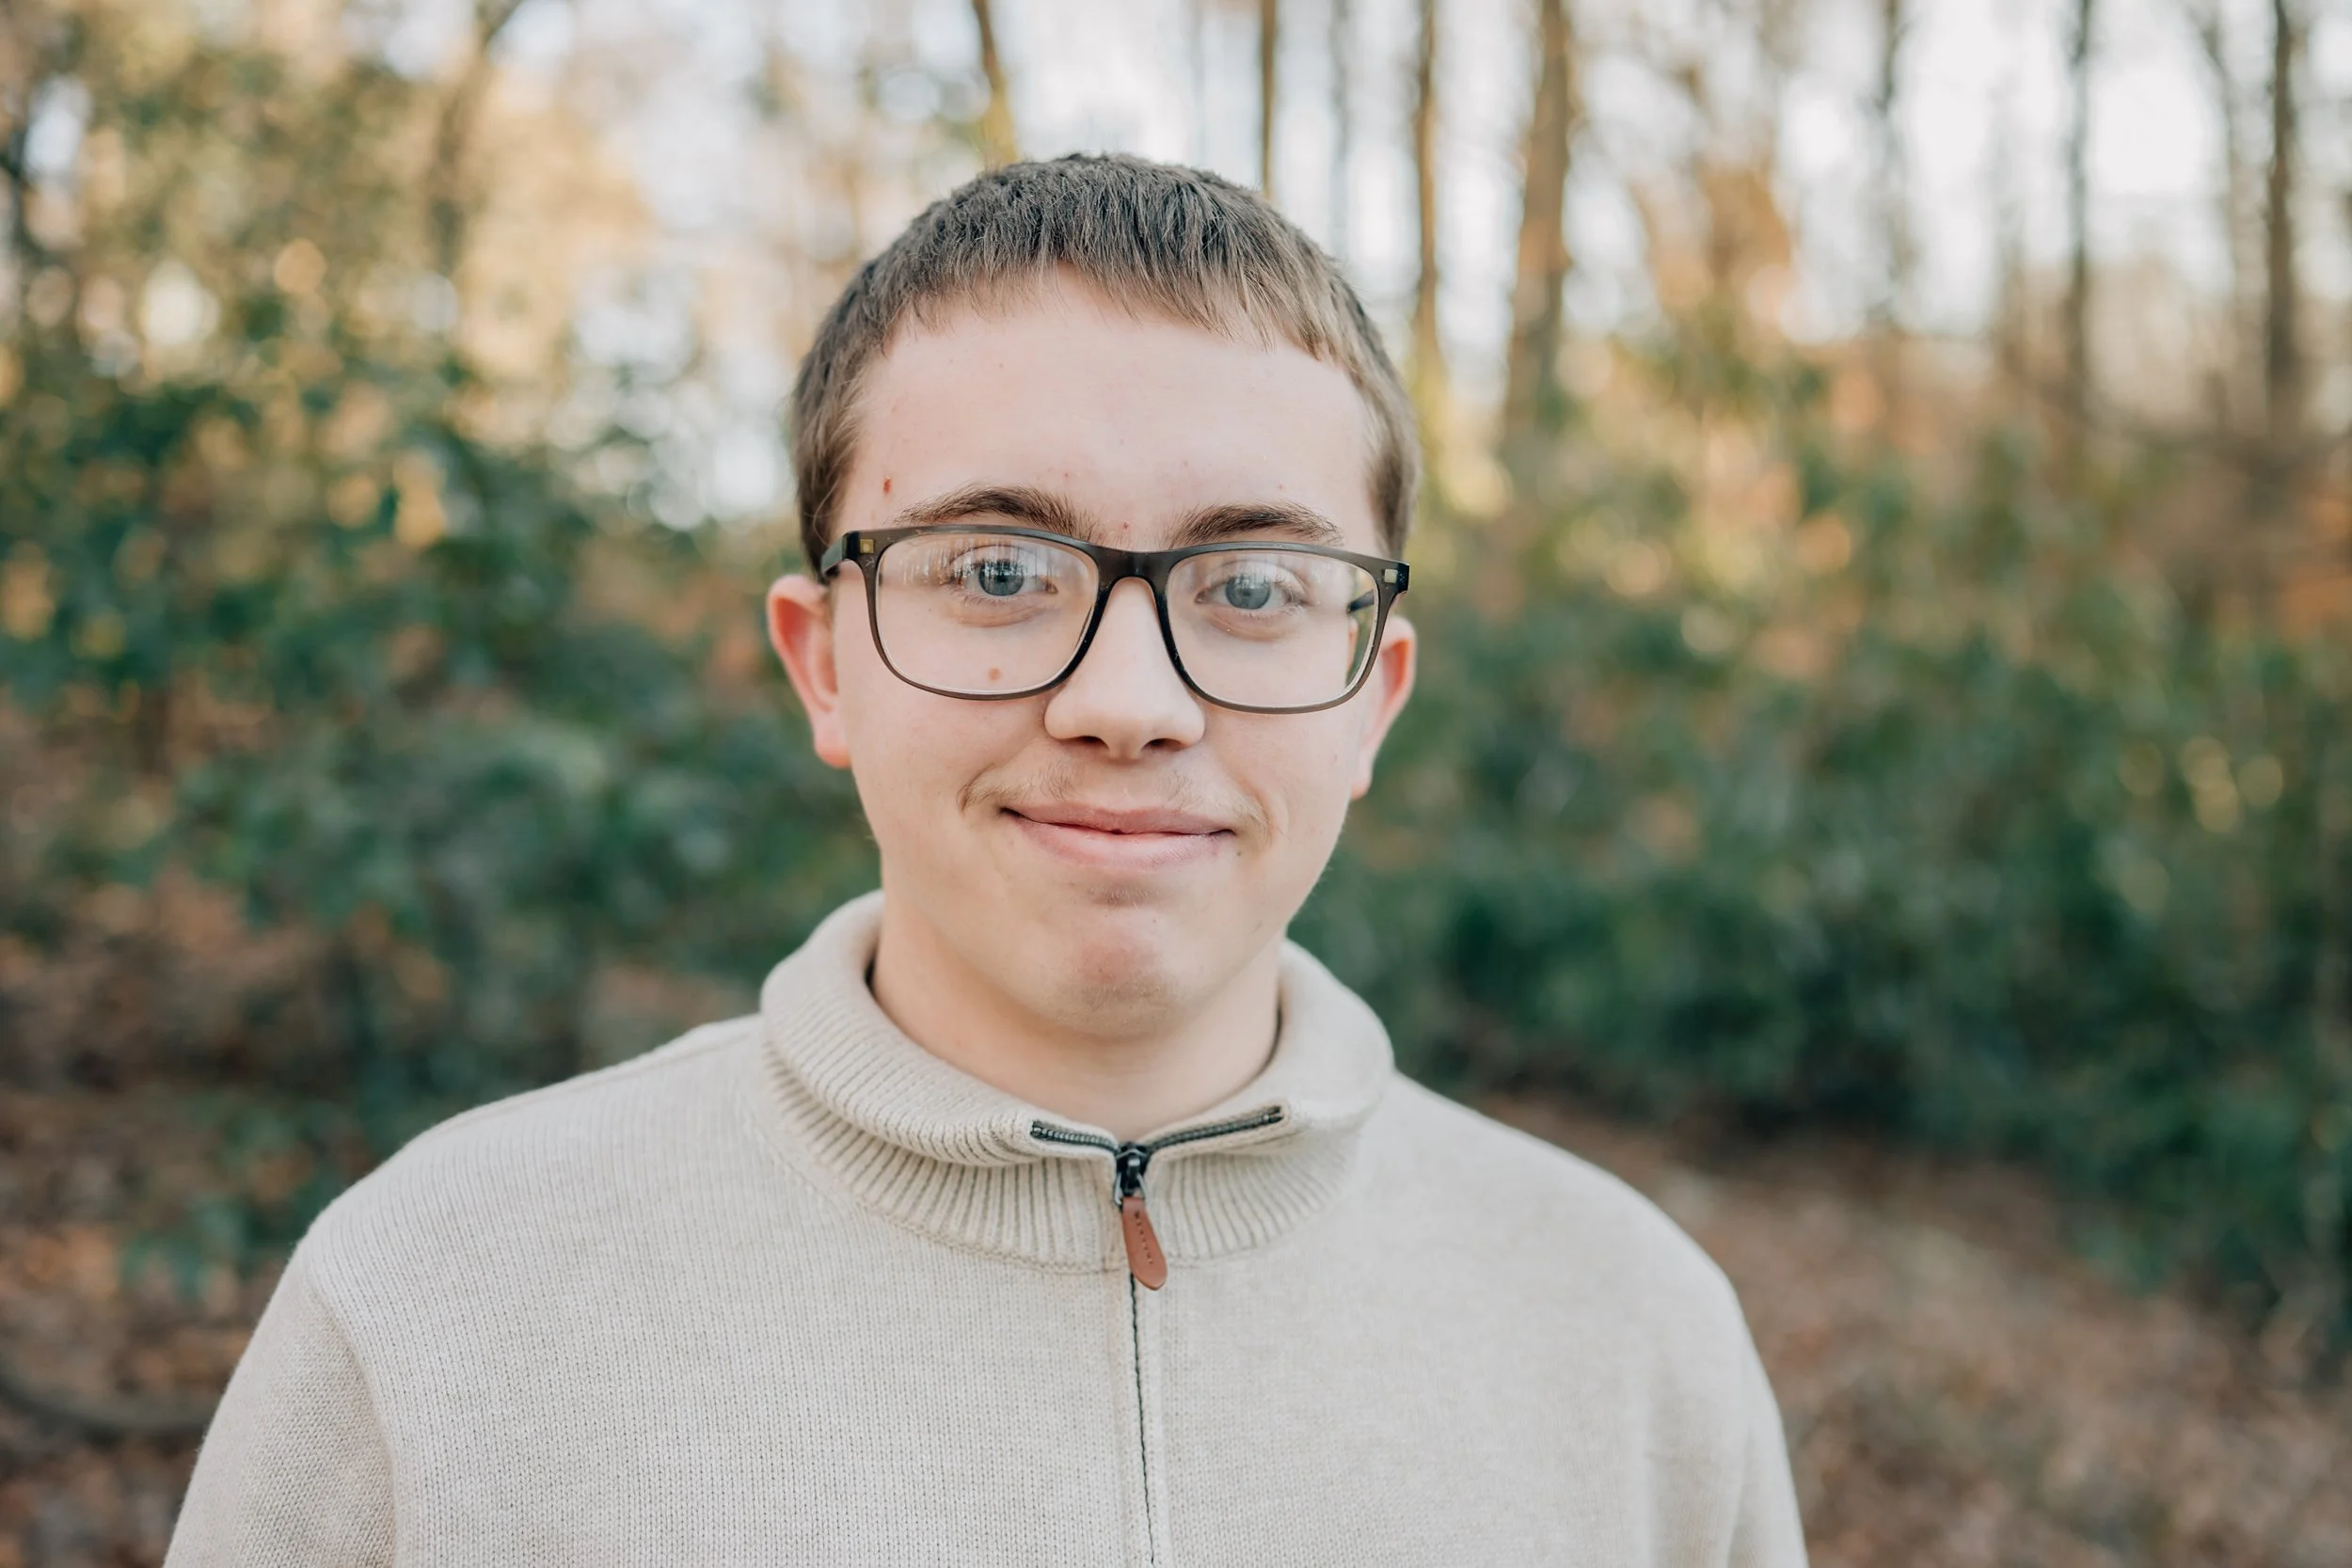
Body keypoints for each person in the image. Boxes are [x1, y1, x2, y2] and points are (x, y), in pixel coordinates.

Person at [167, 154, 1806, 1566]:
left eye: (1252, 586)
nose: (1126, 703)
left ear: (1371, 696)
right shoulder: (439, 1299)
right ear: (825, 661)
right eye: (1000, 567)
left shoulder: (1634, 1338)